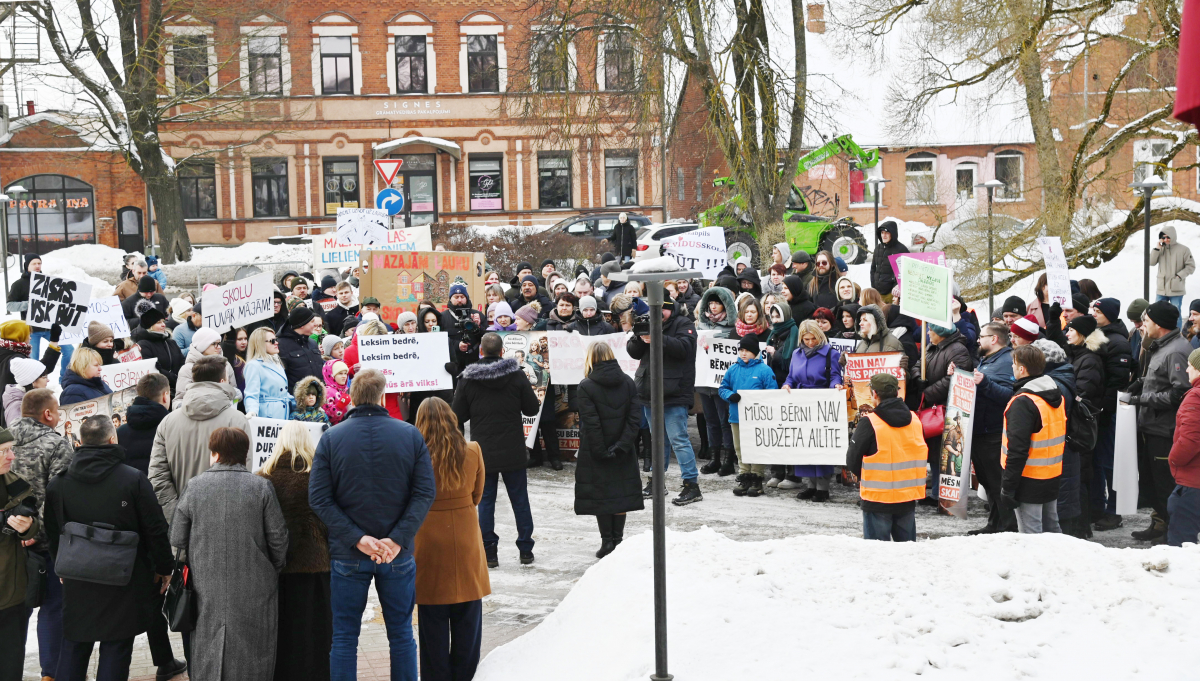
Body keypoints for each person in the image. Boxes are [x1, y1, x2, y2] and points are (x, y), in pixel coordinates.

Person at [309, 369, 436, 681]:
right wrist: (396, 539)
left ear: (352, 397)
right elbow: (424, 492)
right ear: (383, 396)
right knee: (402, 634)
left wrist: (359, 539)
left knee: (344, 637)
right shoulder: (408, 434)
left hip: (349, 554)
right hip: (396, 554)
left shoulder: (331, 437)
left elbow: (320, 499)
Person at [44, 415, 175, 681]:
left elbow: (52, 532)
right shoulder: (133, 479)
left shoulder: (58, 484)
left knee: (74, 645)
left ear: (79, 442)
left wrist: (60, 563)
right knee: (116, 647)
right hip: (124, 578)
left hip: (78, 578)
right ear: (113, 439)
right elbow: (155, 528)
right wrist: (163, 567)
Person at [170, 428, 288, 681]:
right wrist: (271, 568)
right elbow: (278, 538)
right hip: (255, 582)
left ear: (214, 454)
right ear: (245, 454)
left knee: (207, 645)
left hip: (205, 583)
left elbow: (177, 539)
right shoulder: (261, 487)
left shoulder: (195, 486)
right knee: (255, 647)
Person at [412, 397, 491, 681]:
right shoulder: (472, 450)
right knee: (468, 619)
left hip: (428, 539)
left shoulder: (414, 453)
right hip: (466, 535)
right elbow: (477, 495)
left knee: (431, 622)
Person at [452, 333, 541, 567]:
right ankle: (526, 549)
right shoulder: (517, 375)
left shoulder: (467, 379)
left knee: (486, 501)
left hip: (483, 451)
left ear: (481, 351)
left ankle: (489, 552)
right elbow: (532, 410)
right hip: (513, 447)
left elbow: (458, 416)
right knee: (520, 499)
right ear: (502, 352)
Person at [257, 422, 332, 681]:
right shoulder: (320, 475)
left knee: (284, 628)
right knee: (317, 628)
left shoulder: (263, 477)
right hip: (317, 564)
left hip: (280, 568)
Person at [10, 387, 74, 681]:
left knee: (13, 613)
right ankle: (52, 673)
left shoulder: (6, 443)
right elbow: (57, 497)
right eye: (58, 410)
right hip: (44, 544)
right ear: (47, 414)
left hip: (8, 543)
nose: (60, 416)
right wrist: (38, 532)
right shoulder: (57, 445)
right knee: (52, 607)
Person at [149, 356, 250, 523]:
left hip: (182, 522)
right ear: (223, 381)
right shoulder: (238, 420)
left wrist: (177, 516)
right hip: (224, 524)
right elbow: (244, 476)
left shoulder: (168, 422)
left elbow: (157, 476)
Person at [626, 287, 703, 506]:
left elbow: (685, 349)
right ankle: (656, 482)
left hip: (674, 392)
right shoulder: (647, 321)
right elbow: (632, 351)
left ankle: (691, 485)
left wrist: (658, 337)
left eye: (661, 310)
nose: (658, 314)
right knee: (657, 441)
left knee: (678, 439)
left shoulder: (683, 323)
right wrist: (641, 337)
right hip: (649, 391)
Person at [1124, 300, 1192, 544]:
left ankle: (1171, 535)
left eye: (1148, 320)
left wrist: (1141, 399)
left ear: (1160, 324)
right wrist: (1138, 385)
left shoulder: (1175, 350)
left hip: (1165, 430)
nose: (1143, 324)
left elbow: (1179, 393)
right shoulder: (1160, 345)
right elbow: (1156, 379)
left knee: (1163, 485)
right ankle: (1160, 524)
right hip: (1152, 427)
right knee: (1152, 483)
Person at [574, 342, 643, 558]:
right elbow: (634, 419)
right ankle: (618, 540)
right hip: (624, 449)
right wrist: (622, 446)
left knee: (601, 494)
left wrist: (601, 450)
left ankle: (607, 542)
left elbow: (591, 423)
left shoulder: (586, 385)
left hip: (596, 450)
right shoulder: (628, 382)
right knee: (620, 495)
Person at [845, 373, 926, 541]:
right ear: (897, 392)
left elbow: (852, 460)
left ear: (874, 394)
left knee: (878, 556)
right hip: (907, 497)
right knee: (907, 554)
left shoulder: (870, 422)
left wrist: (865, 477)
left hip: (877, 499)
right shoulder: (915, 420)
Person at [1000, 345, 1066, 534]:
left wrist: (1008, 487)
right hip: (1051, 474)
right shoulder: (1055, 394)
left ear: (1022, 369)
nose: (1012, 368)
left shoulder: (1023, 402)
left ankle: (1038, 564)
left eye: (1014, 364)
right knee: (1052, 527)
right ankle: (1060, 563)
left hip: (1027, 479)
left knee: (1031, 534)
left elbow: (1017, 449)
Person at [782, 320, 843, 500]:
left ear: (820, 336)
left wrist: (836, 386)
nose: (810, 342)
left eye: (813, 339)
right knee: (805, 444)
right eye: (806, 339)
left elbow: (834, 375)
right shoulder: (796, 353)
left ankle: (822, 487)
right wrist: (786, 385)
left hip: (821, 402)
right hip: (801, 402)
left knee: (820, 444)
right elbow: (791, 376)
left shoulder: (831, 353)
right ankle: (810, 485)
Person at [1089, 297, 1133, 531]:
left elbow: (1116, 381)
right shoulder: (1100, 335)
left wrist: (1106, 409)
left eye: (1098, 310)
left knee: (1110, 465)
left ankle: (1114, 511)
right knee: (1099, 462)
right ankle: (1100, 507)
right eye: (1092, 309)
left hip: (1109, 411)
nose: (1094, 313)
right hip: (1100, 409)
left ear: (1109, 314)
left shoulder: (1116, 341)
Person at [968, 322, 1016, 534]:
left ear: (994, 339)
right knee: (988, 483)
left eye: (982, 336)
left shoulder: (1006, 361)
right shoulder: (987, 359)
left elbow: (1010, 396)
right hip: (980, 430)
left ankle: (1008, 529)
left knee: (997, 484)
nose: (978, 339)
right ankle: (994, 524)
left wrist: (984, 383)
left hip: (993, 433)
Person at [1, 424, 38, 680]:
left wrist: (28, 527)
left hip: (12, 591)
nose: (11, 456)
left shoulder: (15, 483)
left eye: (10, 449)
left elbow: (33, 520)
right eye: (4, 451)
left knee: (11, 665)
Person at [719, 337, 779, 498]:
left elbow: (772, 392)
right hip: (737, 416)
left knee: (756, 447)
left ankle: (756, 477)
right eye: (741, 350)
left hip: (757, 417)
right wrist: (730, 395)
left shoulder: (764, 370)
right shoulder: (733, 369)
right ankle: (744, 475)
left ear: (755, 353)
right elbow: (723, 387)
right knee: (740, 448)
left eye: (747, 351)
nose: (744, 354)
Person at [696, 286, 738, 478]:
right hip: (705, 381)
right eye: (711, 303)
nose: (713, 307)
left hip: (723, 383)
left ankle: (728, 460)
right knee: (710, 420)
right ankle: (714, 459)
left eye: (717, 303)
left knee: (724, 421)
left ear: (725, 304)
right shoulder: (700, 326)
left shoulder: (733, 328)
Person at [173, 327, 239, 410]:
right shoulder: (187, 369)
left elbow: (233, 391)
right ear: (202, 345)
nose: (219, 347)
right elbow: (179, 400)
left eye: (219, 343)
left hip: (224, 415)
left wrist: (236, 398)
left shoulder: (226, 365)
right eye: (214, 344)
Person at [244, 327, 293, 420]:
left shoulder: (277, 362)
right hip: (268, 416)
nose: (276, 343)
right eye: (272, 341)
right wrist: (252, 411)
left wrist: (303, 403)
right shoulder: (254, 365)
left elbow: (283, 393)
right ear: (260, 343)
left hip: (283, 413)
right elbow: (251, 393)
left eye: (276, 339)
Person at [135, 306, 185, 394]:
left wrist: (181, 379)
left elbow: (181, 362)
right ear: (149, 326)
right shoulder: (143, 345)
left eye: (163, 321)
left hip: (179, 387)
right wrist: (174, 378)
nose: (163, 325)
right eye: (158, 322)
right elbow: (153, 369)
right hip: (158, 391)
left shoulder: (171, 342)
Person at [278, 305, 326, 391]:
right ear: (302, 325)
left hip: (318, 396)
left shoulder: (312, 343)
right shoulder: (281, 345)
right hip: (297, 399)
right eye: (312, 321)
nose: (315, 325)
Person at [1149, 224, 1194, 309]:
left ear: (1173, 236)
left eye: (1168, 237)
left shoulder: (1184, 249)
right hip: (1161, 289)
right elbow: (1151, 262)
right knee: (1158, 313)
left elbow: (1191, 266)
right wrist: (1157, 249)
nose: (1166, 239)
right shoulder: (1160, 249)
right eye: (1163, 237)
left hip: (1176, 289)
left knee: (1176, 314)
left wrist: (1179, 276)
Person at [3, 357, 48, 427]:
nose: (48, 380)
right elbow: (17, 435)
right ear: (33, 380)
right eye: (44, 377)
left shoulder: (30, 399)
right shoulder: (17, 406)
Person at [870, 221, 907, 300]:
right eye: (882, 233)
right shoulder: (878, 248)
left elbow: (905, 272)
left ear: (892, 234)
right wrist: (873, 286)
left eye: (887, 233)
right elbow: (873, 269)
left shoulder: (901, 249)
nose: (884, 235)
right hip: (877, 293)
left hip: (893, 294)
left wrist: (896, 288)